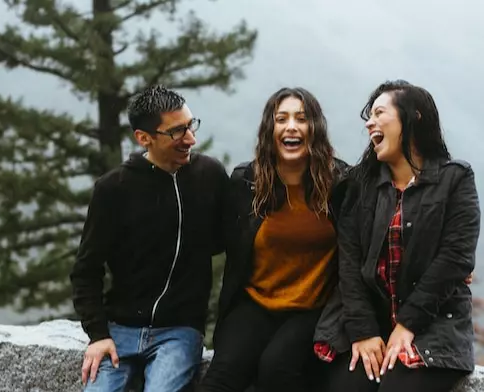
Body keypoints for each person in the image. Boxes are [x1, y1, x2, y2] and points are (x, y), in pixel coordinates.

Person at [315, 80, 480, 392]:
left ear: (414, 117)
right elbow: (348, 265)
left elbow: (455, 259)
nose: (369, 123)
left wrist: (407, 325)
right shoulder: (359, 187)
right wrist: (363, 331)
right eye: (368, 116)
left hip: (434, 328)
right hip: (372, 325)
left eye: (379, 113)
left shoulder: (455, 179)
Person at [70, 85, 230, 392]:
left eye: (191, 125)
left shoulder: (209, 175)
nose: (191, 139)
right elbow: (86, 270)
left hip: (179, 332)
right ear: (144, 138)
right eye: (177, 132)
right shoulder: (113, 189)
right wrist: (98, 334)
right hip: (119, 331)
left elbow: (231, 241)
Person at [197, 87, 351, 392]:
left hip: (312, 309)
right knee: (221, 377)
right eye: (281, 119)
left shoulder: (341, 185)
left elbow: (380, 224)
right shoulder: (247, 182)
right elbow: (211, 239)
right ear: (271, 129)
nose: (291, 126)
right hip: (255, 302)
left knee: (276, 369)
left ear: (314, 129)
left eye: (301, 119)